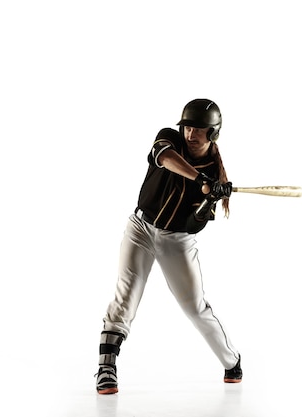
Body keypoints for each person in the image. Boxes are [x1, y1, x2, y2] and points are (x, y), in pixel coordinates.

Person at [95, 98, 242, 395]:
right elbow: (164, 158)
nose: (191, 133)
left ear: (213, 133)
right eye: (188, 126)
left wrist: (209, 198)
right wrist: (200, 179)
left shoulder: (215, 172)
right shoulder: (169, 138)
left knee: (195, 306)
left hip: (177, 239)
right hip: (140, 228)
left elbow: (193, 225)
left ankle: (232, 361)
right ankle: (106, 367)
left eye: (199, 129)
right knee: (126, 295)